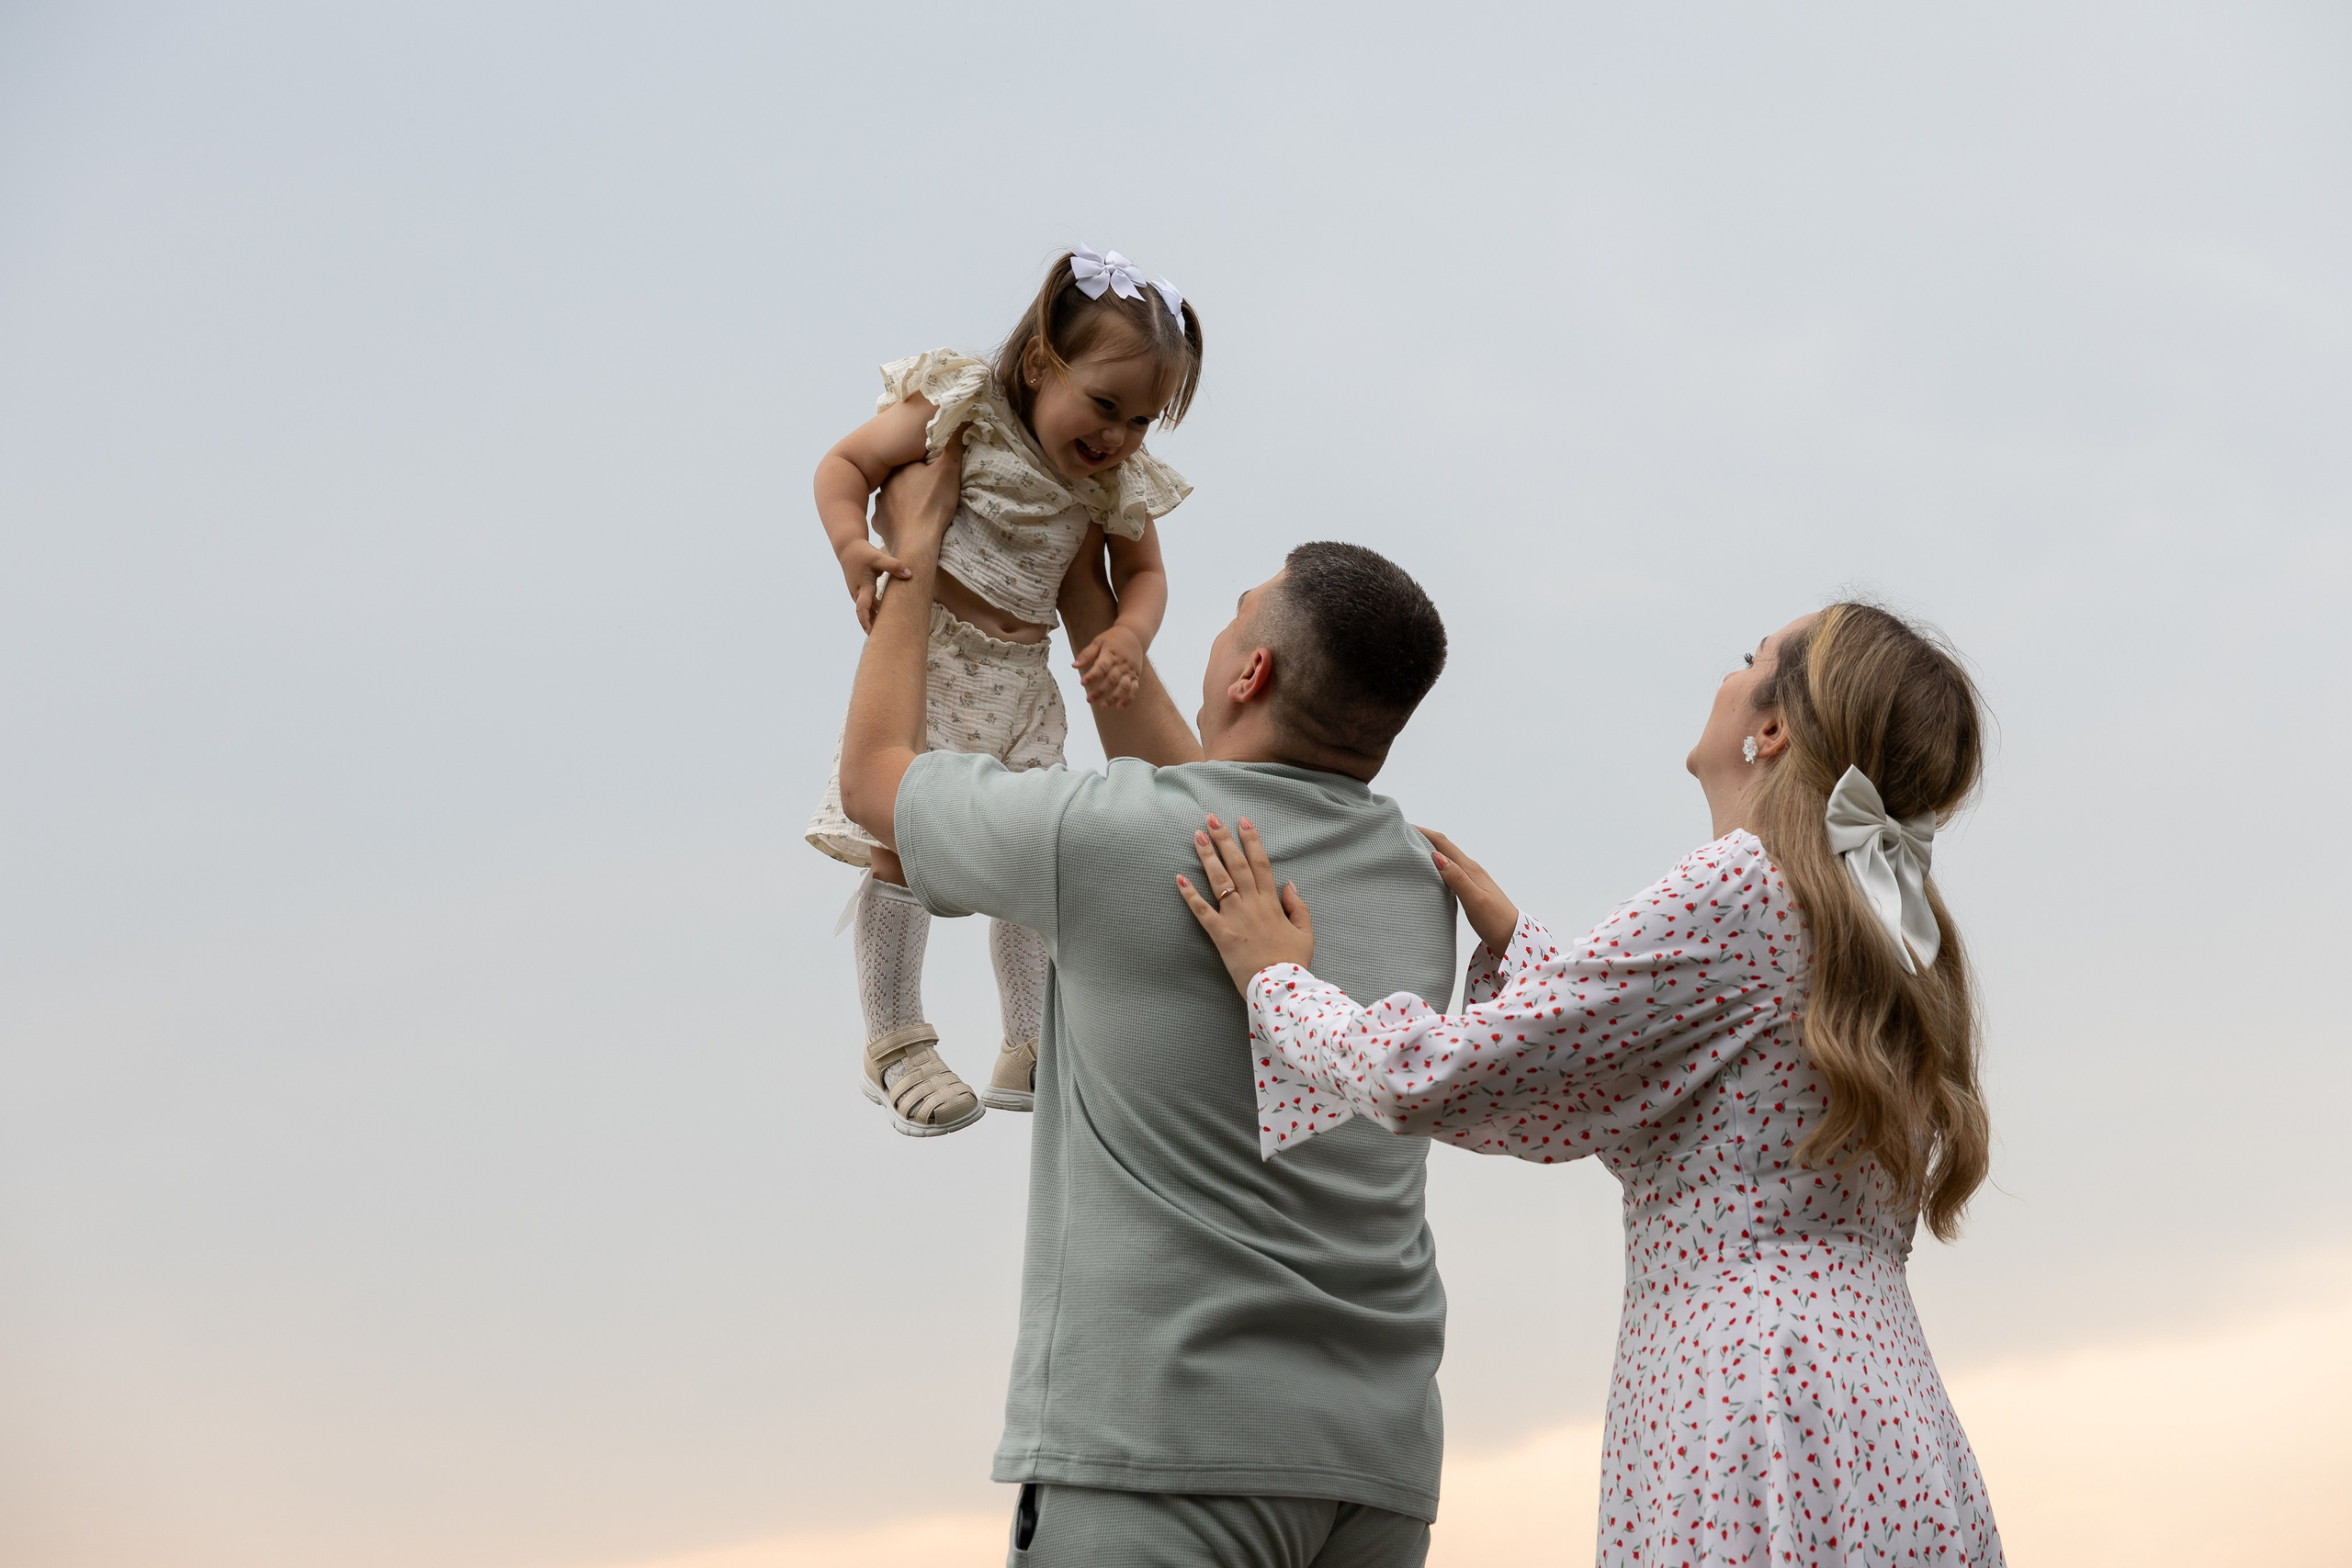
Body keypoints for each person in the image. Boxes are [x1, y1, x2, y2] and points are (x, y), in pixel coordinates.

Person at [1179, 604, 2006, 1566]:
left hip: (1743, 1392)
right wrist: (1526, 955)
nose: (1729, 676)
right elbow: (1686, 1109)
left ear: (1770, 729)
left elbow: (1428, 1078)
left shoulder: (1740, 884)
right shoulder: (1880, 915)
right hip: (1881, 1404)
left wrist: (1278, 984)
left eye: (1751, 660)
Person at [836, 445, 1455, 1568]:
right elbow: (1205, 797)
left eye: (1233, 617)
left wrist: (916, 553)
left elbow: (876, 773)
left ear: (1251, 673)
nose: (1213, 632)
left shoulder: (1106, 837)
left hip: (1163, 1459)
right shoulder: (1420, 879)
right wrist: (1089, 613)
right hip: (1376, 1472)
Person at [807, 245, 1201, 1135]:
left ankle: (1028, 1040)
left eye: (1141, 422)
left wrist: (1128, 638)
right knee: (898, 845)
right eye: (1105, 405)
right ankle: (895, 1037)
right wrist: (850, 547)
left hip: (1023, 682)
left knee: (1035, 854)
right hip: (937, 660)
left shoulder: (1109, 483)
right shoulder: (964, 409)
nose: (1118, 438)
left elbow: (1143, 574)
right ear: (1037, 364)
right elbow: (843, 466)